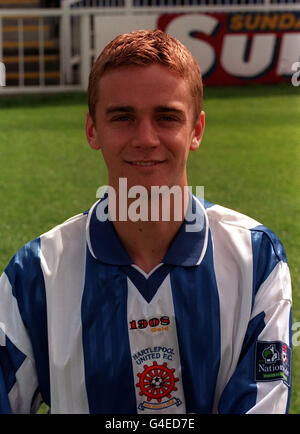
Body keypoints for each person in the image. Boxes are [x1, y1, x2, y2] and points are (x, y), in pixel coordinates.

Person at [0, 29, 292, 414]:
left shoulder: (255, 259)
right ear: (92, 130)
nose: (145, 138)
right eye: (123, 117)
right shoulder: (36, 274)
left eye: (167, 117)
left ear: (196, 130)